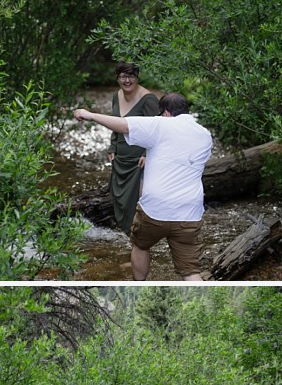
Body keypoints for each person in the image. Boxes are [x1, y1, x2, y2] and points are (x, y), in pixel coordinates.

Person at [74, 92, 213, 281]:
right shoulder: (204, 134)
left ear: (165, 113)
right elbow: (179, 155)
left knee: (140, 245)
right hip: (189, 214)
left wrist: (90, 115)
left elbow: (123, 125)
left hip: (155, 211)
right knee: (191, 271)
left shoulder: (161, 123)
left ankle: (139, 281)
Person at [106, 62, 160, 235]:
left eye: (131, 76)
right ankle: (130, 243)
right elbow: (116, 125)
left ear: (137, 78)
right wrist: (112, 146)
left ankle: (140, 244)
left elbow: (157, 130)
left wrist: (147, 154)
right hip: (120, 158)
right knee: (119, 200)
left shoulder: (148, 99)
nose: (127, 80)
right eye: (123, 76)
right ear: (117, 78)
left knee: (139, 203)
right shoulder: (116, 96)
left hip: (140, 162)